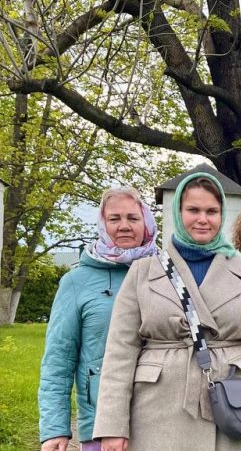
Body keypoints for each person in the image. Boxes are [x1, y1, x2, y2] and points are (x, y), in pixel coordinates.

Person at [92, 172, 241, 450]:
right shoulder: (143, 272)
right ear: (178, 211)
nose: (203, 219)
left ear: (222, 215)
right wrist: (112, 425)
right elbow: (120, 352)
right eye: (193, 210)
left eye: (211, 211)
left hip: (234, 407)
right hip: (158, 409)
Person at [38, 187, 159, 451]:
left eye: (133, 218)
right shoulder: (76, 282)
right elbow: (58, 359)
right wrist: (54, 428)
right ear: (102, 224)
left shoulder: (167, 274)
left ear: (147, 222)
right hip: (101, 427)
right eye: (114, 219)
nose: (124, 226)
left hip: (162, 419)